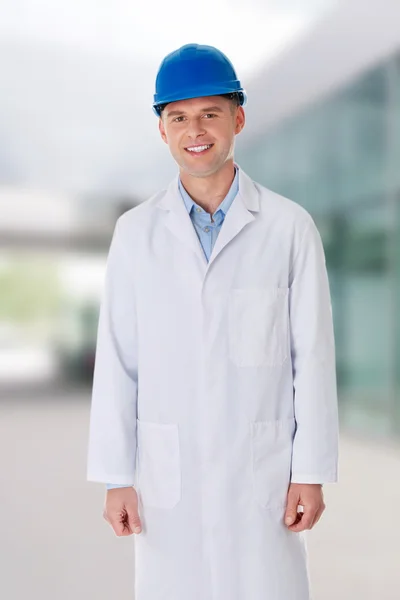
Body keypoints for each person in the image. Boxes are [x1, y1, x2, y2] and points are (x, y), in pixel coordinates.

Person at [87, 43, 339, 600]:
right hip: (166, 478)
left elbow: (313, 358)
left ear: (238, 119)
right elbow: (118, 361)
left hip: (263, 475)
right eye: (178, 116)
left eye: (210, 113)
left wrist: (312, 468)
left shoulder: (288, 227)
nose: (194, 130)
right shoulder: (136, 234)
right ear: (162, 129)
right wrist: (116, 477)